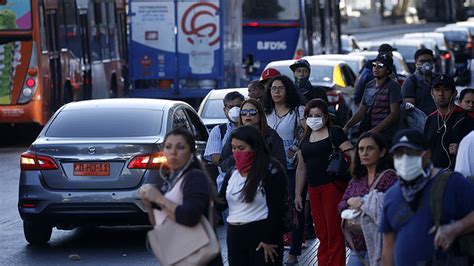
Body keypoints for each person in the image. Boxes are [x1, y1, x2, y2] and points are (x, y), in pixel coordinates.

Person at [380, 128, 474, 266]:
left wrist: (456, 228)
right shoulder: (391, 196)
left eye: (410, 153)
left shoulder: (452, 183)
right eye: (399, 154)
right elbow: (388, 247)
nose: (404, 159)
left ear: (426, 155)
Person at [139, 128, 222, 266]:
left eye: (180, 147)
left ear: (191, 152)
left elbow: (189, 216)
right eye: (168, 147)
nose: (173, 152)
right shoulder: (170, 179)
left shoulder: (194, 177)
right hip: (180, 254)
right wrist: (149, 203)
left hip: (200, 256)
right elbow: (159, 224)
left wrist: (159, 198)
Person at [294, 99, 355, 266]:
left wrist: (356, 184)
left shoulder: (335, 132)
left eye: (318, 115)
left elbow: (352, 155)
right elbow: (301, 168)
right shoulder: (305, 137)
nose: (314, 118)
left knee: (334, 232)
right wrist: (298, 194)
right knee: (321, 231)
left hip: (333, 187)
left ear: (326, 117)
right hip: (314, 189)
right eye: (310, 115)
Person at [218, 126, 287, 265]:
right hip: (235, 236)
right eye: (233, 148)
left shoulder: (271, 170)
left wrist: (269, 239)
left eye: (241, 148)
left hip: (261, 236)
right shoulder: (233, 172)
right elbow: (221, 202)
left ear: (255, 147)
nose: (236, 152)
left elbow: (277, 208)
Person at [263, 75, 306, 263]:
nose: (277, 92)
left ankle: (294, 250)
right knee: (271, 207)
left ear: (288, 90)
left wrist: (297, 149)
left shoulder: (298, 111)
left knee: (295, 206)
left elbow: (306, 133)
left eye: (280, 88)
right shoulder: (265, 112)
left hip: (293, 167)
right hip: (269, 167)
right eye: (273, 88)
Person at [338, 132, 398, 266]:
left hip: (381, 245)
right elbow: (340, 205)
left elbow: (392, 209)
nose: (364, 153)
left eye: (370, 148)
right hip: (358, 246)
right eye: (361, 149)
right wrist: (350, 201)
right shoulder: (357, 179)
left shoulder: (389, 178)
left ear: (382, 152)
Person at [344, 53, 402, 144]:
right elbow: (362, 111)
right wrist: (347, 127)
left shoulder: (393, 86)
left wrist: (375, 130)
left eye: (381, 66)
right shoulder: (370, 85)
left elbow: (394, 114)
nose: (376, 68)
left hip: (387, 135)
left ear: (388, 70)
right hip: (371, 133)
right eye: (374, 65)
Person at [219, 98, 287, 173]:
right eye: (244, 112)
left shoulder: (271, 135)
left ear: (260, 115)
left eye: (252, 112)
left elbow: (281, 165)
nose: (248, 115)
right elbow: (223, 164)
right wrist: (239, 156)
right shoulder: (235, 135)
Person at [424, 75, 473, 170]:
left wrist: (462, 149)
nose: (441, 94)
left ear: (454, 93)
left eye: (446, 89)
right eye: (437, 90)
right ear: (432, 93)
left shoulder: (465, 118)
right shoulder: (430, 119)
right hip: (434, 175)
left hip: (458, 175)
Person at [204, 91, 245, 190]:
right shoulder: (218, 131)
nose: (235, 110)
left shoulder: (253, 129)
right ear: (225, 110)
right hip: (225, 186)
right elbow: (216, 158)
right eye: (230, 107)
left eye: (238, 106)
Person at [402, 48, 439, 115]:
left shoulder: (438, 79)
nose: (426, 64)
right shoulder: (411, 81)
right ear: (416, 63)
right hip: (420, 122)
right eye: (422, 61)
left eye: (429, 61)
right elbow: (410, 109)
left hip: (437, 121)